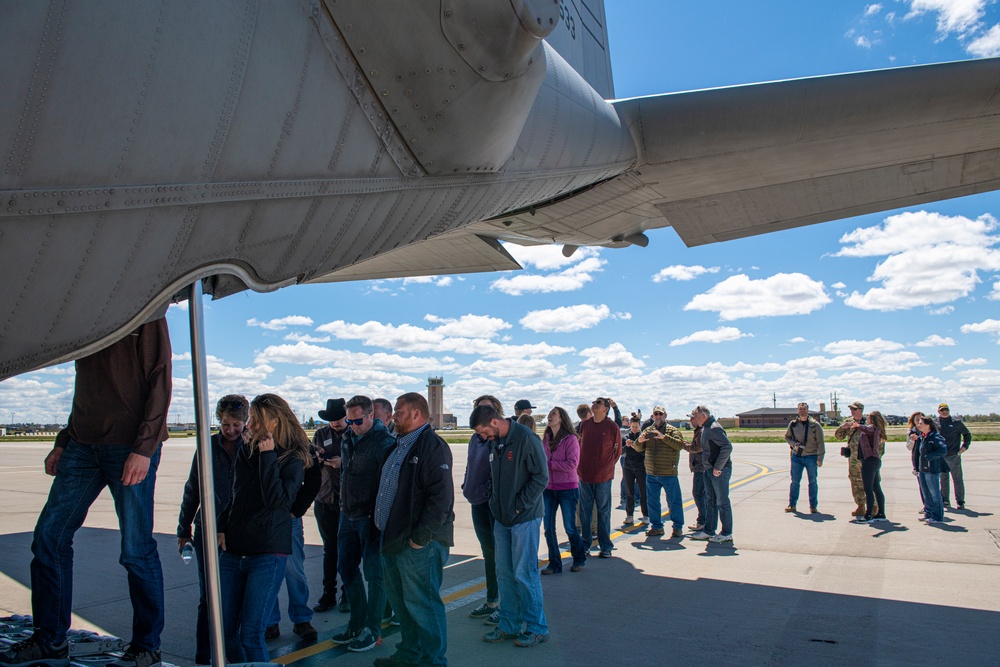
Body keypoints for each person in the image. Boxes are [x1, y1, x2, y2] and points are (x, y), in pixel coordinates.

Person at [0, 318, 171, 667]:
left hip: (129, 445)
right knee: (48, 538)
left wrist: (144, 448)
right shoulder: (89, 314)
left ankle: (146, 647)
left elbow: (160, 379)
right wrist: (64, 441)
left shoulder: (147, 310)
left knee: (136, 550)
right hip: (82, 444)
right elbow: (86, 389)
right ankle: (50, 641)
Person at [217, 393, 312, 663]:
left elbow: (276, 503)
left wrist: (268, 456)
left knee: (251, 632)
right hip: (234, 549)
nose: (250, 426)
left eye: (256, 420)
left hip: (267, 552)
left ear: (274, 421)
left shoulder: (292, 457)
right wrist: (222, 526)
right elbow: (235, 494)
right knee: (226, 631)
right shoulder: (246, 450)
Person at [373, 393, 455, 667]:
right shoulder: (398, 445)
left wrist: (420, 539)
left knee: (423, 605)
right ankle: (409, 654)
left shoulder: (432, 446)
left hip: (419, 544)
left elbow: (440, 499)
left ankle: (433, 662)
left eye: (399, 411)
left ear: (416, 414)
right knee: (402, 604)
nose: (394, 416)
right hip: (393, 539)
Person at [471, 405, 550, 649]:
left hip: (524, 518)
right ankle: (509, 624)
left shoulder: (526, 439)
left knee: (524, 573)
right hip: (501, 518)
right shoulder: (495, 442)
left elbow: (541, 477)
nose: (482, 437)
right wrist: (495, 503)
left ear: (494, 422)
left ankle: (537, 628)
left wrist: (518, 506)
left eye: (483, 431)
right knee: (504, 574)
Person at [177, 395, 247, 665]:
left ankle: (233, 652)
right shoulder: (206, 447)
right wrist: (183, 530)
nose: (231, 430)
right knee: (208, 596)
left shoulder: (251, 447)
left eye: (237, 425)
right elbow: (192, 489)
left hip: (239, 533)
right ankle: (204, 657)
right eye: (226, 424)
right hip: (207, 529)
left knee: (235, 597)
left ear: (246, 422)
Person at [329, 396, 396, 652]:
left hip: (370, 518)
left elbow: (388, 483)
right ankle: (356, 624)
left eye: (358, 421)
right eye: (350, 421)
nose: (353, 426)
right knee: (346, 568)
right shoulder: (348, 438)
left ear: (371, 416)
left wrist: (377, 517)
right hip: (347, 515)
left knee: (374, 574)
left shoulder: (384, 442)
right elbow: (345, 472)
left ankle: (372, 629)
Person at [462, 395, 503, 626]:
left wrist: (485, 490)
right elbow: (471, 464)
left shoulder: (496, 437)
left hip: (491, 502)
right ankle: (491, 601)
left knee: (500, 554)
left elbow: (498, 471)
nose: (482, 411)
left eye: (487, 408)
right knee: (488, 553)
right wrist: (467, 484)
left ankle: (504, 605)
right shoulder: (474, 438)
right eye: (479, 408)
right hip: (476, 501)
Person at [312, 398, 348, 613]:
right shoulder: (321, 434)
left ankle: (348, 593)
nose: (335, 423)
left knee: (347, 550)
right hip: (324, 498)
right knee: (330, 549)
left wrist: (343, 463)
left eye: (338, 419)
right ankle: (328, 593)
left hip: (346, 501)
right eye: (331, 420)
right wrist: (316, 459)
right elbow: (311, 460)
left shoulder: (353, 433)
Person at [539, 407, 586, 574]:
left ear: (561, 418)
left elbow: (572, 464)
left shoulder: (571, 439)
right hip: (548, 489)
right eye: (549, 413)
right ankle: (554, 564)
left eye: (554, 414)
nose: (549, 416)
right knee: (548, 528)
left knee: (570, 527)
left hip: (567, 489)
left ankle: (579, 559)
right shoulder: (546, 438)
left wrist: (549, 465)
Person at [577, 397, 622, 559]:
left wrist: (606, 466)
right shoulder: (585, 425)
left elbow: (617, 451)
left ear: (605, 409)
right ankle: (585, 544)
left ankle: (606, 546)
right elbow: (579, 445)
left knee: (603, 512)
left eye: (598, 403)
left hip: (603, 477)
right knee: (585, 512)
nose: (594, 404)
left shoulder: (612, 427)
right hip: (585, 475)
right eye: (594, 402)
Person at [632, 407, 685, 538]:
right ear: (652, 416)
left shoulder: (673, 431)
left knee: (674, 501)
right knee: (652, 502)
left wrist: (663, 437)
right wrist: (640, 441)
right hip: (651, 473)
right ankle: (656, 527)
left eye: (660, 414)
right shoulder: (647, 431)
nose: (658, 416)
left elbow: (679, 445)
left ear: (665, 415)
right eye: (656, 414)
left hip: (668, 472)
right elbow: (637, 448)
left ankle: (678, 527)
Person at [689, 406, 734, 543]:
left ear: (703, 416)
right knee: (711, 501)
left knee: (722, 502)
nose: (694, 419)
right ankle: (709, 530)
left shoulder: (714, 428)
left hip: (719, 471)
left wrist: (718, 466)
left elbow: (727, 447)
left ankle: (726, 533)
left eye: (696, 416)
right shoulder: (705, 428)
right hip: (708, 470)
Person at [835, 401, 877, 517]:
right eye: (851, 409)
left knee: (870, 481)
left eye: (854, 409)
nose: (852, 411)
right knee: (855, 481)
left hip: (867, 458)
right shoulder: (849, 422)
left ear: (861, 410)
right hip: (854, 458)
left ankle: (874, 506)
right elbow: (838, 437)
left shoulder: (868, 422)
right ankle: (860, 505)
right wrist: (842, 427)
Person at [784, 402, 825, 514]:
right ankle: (792, 504)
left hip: (811, 456)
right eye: (800, 409)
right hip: (797, 457)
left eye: (804, 409)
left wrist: (820, 458)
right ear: (798, 411)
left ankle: (813, 506)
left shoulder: (815, 425)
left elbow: (821, 442)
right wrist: (794, 444)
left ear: (808, 410)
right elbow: (787, 437)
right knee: (795, 482)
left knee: (812, 482)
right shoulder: (793, 424)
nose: (802, 411)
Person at [850, 410, 888, 524]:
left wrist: (858, 425)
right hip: (873, 461)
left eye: (868, 417)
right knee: (876, 487)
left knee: (868, 489)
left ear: (873, 419)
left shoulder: (873, 428)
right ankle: (881, 513)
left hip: (869, 461)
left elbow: (868, 429)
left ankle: (868, 515)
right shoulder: (874, 429)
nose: (866, 418)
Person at [936, 403, 972, 509]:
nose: (944, 412)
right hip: (941, 456)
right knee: (943, 479)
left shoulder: (956, 423)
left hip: (953, 455)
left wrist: (964, 447)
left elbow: (967, 434)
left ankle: (960, 501)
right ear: (938, 412)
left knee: (957, 479)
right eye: (942, 410)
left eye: (946, 410)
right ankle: (945, 500)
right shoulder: (935, 423)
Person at [913, 415, 948, 524]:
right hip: (922, 469)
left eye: (921, 423)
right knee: (926, 493)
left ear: (928, 425)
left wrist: (929, 457)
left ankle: (937, 516)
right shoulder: (923, 437)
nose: (919, 425)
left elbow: (943, 450)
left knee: (934, 493)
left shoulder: (934, 437)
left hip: (931, 470)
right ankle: (928, 513)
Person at [620, 416, 648, 525]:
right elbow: (621, 452)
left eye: (636, 426)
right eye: (633, 427)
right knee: (629, 492)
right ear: (630, 426)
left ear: (639, 426)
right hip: (628, 467)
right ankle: (629, 515)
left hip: (641, 467)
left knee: (643, 492)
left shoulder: (643, 438)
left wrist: (637, 446)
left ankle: (646, 515)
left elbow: (646, 453)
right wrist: (627, 446)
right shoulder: (625, 437)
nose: (635, 429)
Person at [682, 422, 707, 532]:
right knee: (701, 495)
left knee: (698, 494)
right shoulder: (699, 431)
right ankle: (703, 520)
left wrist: (684, 445)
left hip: (701, 468)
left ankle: (702, 521)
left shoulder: (701, 431)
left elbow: (696, 448)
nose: (691, 421)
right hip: (699, 467)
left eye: (693, 418)